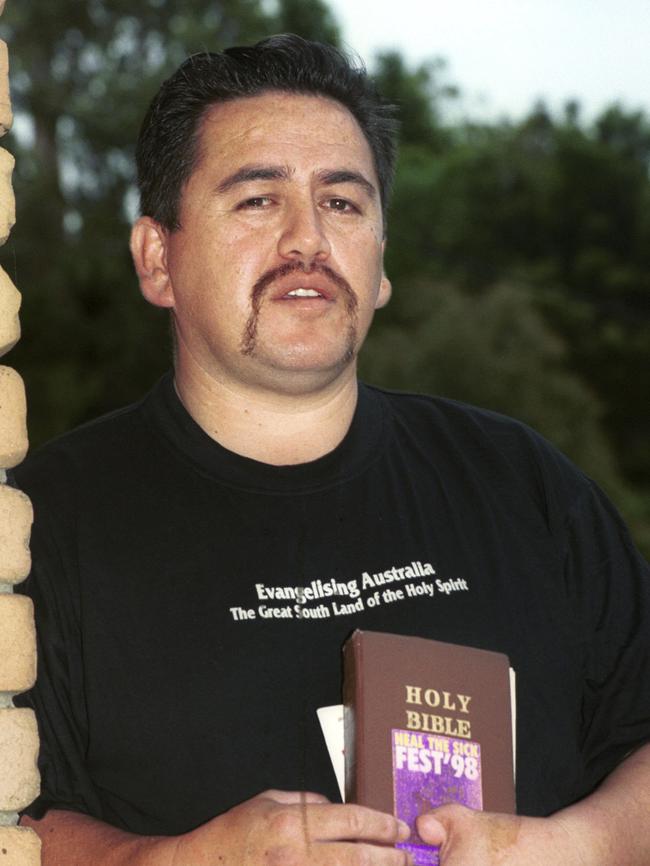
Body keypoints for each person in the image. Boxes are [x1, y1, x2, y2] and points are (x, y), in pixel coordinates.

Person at [11, 34, 650, 866]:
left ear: (381, 263)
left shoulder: (523, 483)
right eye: (257, 200)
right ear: (156, 258)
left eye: (343, 203)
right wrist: (179, 862)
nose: (307, 239)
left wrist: (578, 847)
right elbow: (17, 822)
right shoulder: (41, 524)